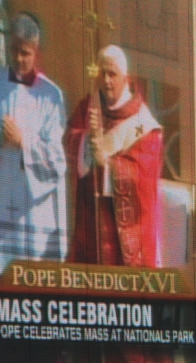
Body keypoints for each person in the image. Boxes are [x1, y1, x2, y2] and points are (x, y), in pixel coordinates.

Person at [0, 12, 67, 287]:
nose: (19, 59)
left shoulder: (50, 96)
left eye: (25, 53)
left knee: (28, 286)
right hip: (0, 199)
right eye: (14, 51)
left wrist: (24, 143)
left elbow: (57, 161)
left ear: (36, 52)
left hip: (31, 210)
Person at [65, 44, 163, 267]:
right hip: (89, 222)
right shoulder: (89, 107)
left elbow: (144, 179)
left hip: (122, 235)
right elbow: (68, 139)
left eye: (112, 74)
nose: (106, 81)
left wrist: (107, 166)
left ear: (126, 78)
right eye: (102, 74)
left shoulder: (143, 124)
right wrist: (85, 142)